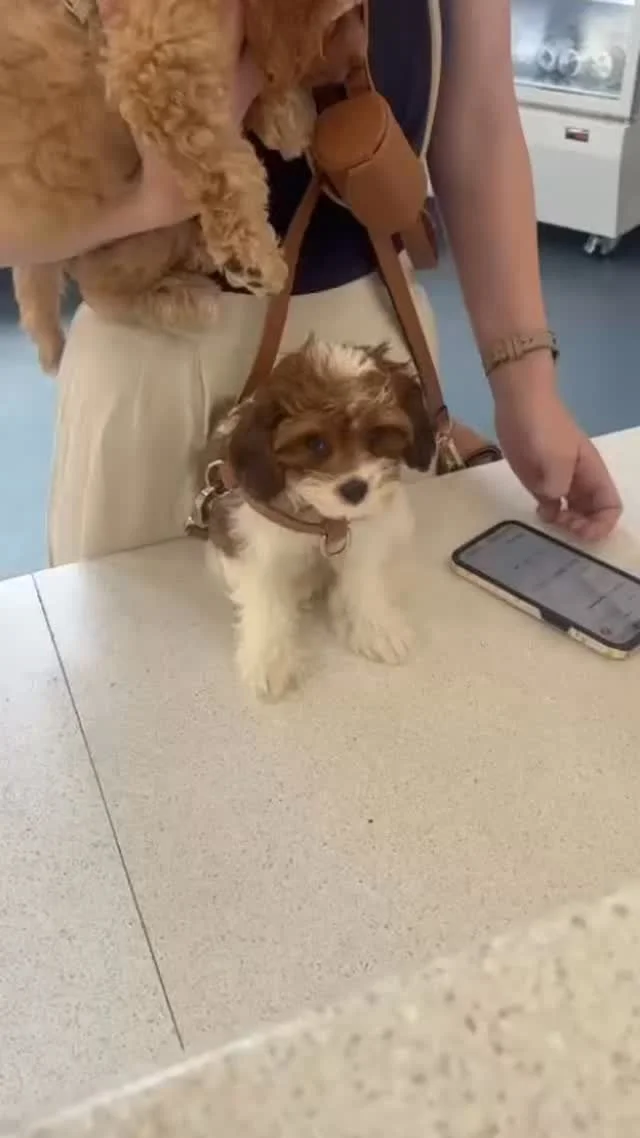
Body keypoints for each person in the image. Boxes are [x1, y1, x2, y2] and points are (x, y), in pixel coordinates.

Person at [3, 0, 622, 564]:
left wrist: (526, 384)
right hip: (157, 354)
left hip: (373, 342)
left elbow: (480, 115)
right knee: (148, 642)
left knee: (380, 631)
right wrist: (149, 201)